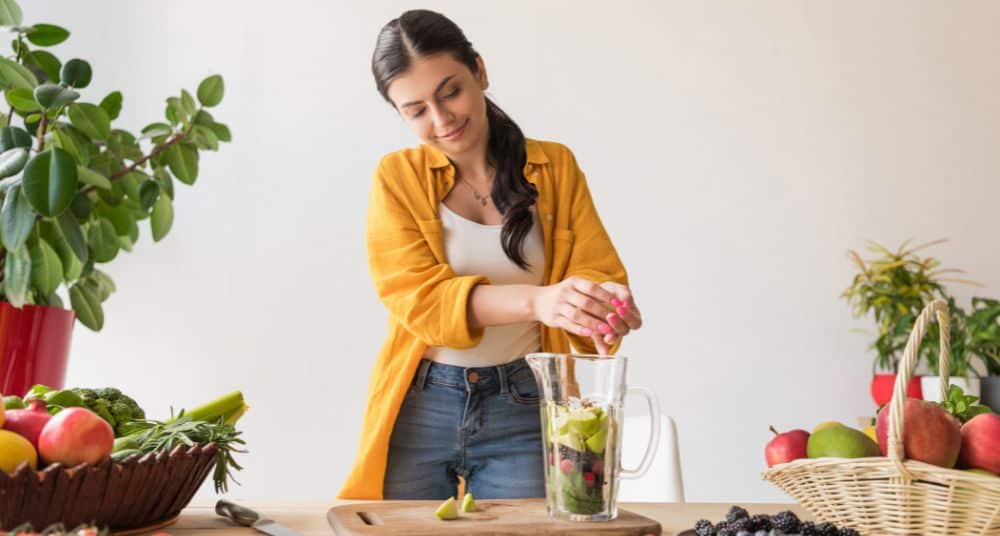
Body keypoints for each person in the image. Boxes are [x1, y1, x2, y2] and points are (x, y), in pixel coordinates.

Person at [338, 9, 643, 500]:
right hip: (422, 402)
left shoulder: (555, 167)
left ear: (479, 70)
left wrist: (600, 306)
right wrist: (539, 301)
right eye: (416, 110)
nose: (442, 120)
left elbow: (595, 269)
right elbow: (419, 301)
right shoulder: (396, 178)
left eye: (450, 91)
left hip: (526, 400)